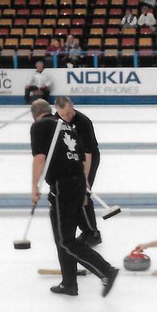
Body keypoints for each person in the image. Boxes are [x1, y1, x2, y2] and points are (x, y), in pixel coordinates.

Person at [29, 99, 118, 297]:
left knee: (65, 240)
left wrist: (34, 187)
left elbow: (39, 158)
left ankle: (106, 270)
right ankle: (69, 283)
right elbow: (82, 157)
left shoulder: (39, 126)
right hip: (77, 182)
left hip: (63, 186)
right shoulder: (67, 127)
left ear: (34, 115)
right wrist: (84, 189)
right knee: (62, 238)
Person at [54, 96, 102, 246]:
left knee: (83, 194)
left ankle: (94, 233)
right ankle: (85, 230)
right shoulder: (56, 120)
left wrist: (85, 179)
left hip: (88, 159)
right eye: (62, 115)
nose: (66, 117)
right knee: (73, 196)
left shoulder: (83, 122)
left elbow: (88, 154)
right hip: (70, 160)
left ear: (72, 106)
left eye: (68, 113)